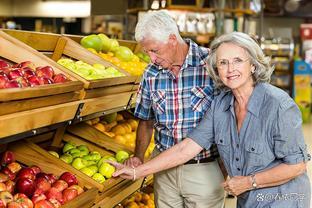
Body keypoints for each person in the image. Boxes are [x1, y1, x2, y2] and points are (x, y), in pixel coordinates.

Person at [110, 32, 311, 208]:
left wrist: (249, 182)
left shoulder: (278, 105)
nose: (230, 68)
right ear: (216, 69)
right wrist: (138, 171)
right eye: (223, 62)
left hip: (285, 199)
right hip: (249, 200)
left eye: (238, 60)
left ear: (253, 65)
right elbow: (187, 147)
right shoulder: (221, 105)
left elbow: (297, 166)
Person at [125, 10, 225, 208]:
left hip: (203, 169)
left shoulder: (211, 64)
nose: (152, 58)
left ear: (172, 39)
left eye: (155, 50)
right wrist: (138, 156)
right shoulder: (151, 73)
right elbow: (146, 120)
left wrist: (224, 167)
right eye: (147, 52)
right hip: (164, 171)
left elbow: (229, 118)